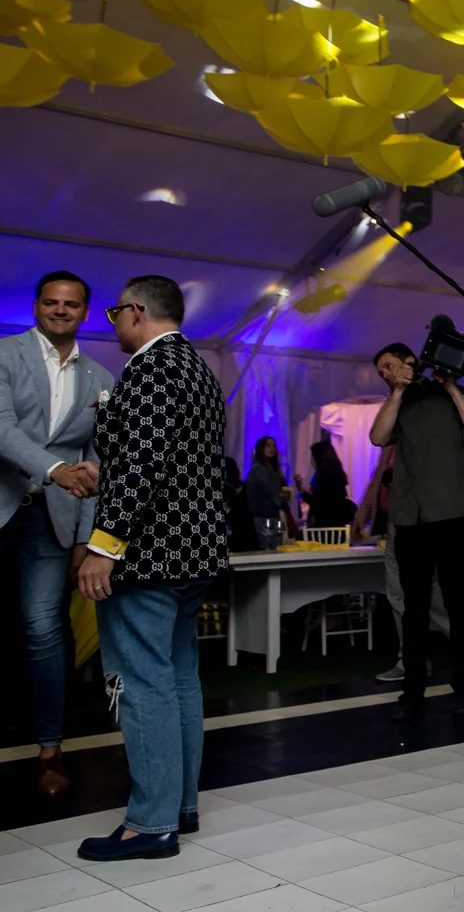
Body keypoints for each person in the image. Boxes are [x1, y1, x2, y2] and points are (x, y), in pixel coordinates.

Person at [74, 275, 227, 861]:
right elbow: (171, 462)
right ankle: (180, 806)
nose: (114, 323)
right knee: (179, 679)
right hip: (193, 553)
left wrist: (103, 546)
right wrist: (109, 474)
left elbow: (142, 466)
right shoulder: (197, 368)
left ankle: (150, 824)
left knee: (142, 685)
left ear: (135, 311)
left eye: (115, 312)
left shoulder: (150, 370)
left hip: (148, 555)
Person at [0, 270, 113, 797]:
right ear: (36, 307)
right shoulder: (5, 354)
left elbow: (96, 460)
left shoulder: (100, 378)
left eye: (71, 304)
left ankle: (50, 750)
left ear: (85, 312)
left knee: (42, 628)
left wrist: (86, 539)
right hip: (4, 502)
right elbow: (2, 429)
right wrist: (54, 470)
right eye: (51, 302)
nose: (60, 310)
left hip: (53, 521)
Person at [369, 340, 464, 717]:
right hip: (410, 519)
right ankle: (413, 691)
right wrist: (397, 391)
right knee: (414, 607)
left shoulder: (453, 394)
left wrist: (451, 387)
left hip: (453, 514)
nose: (386, 374)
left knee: (457, 602)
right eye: (382, 372)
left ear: (410, 361)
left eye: (390, 366)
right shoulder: (397, 402)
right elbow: (378, 437)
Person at [353, 432, 449, 684]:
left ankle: (455, 635)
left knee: (420, 591)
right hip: (396, 522)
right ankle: (412, 658)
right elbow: (380, 472)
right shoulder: (394, 434)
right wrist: (364, 508)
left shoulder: (425, 431)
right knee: (399, 593)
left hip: (419, 521)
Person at [245, 437, 294, 549]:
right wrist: (286, 497)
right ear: (260, 449)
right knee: (271, 552)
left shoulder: (270, 470)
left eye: (274, 445)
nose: (272, 448)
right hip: (265, 521)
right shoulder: (260, 470)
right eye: (268, 445)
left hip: (270, 519)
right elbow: (277, 499)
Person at [298, 440, 354, 529]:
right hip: (338, 524)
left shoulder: (324, 477)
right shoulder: (336, 474)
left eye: (312, 457)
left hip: (326, 526)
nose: (311, 460)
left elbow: (319, 503)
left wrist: (302, 492)